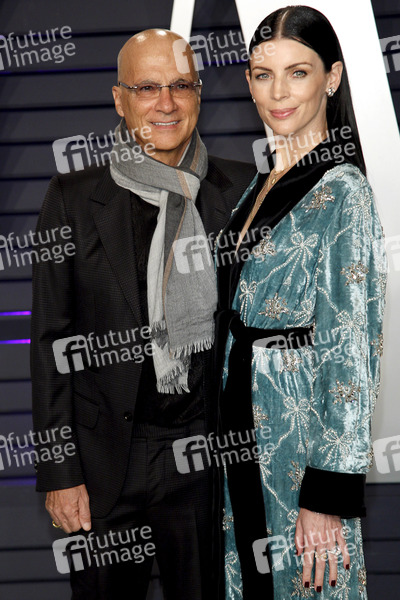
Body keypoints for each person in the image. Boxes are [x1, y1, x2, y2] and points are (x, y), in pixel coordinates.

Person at [30, 29, 256, 600]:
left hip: (205, 461)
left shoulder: (239, 191)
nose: (166, 103)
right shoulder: (72, 198)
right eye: (147, 87)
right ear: (119, 99)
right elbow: (50, 344)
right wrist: (60, 472)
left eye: (181, 85)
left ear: (199, 94)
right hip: (104, 465)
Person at [213, 6, 386, 599]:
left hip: (298, 443)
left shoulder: (344, 191)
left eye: (298, 72)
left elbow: (352, 353)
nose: (279, 93)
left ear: (331, 78)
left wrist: (326, 497)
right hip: (244, 433)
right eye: (264, 75)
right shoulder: (258, 186)